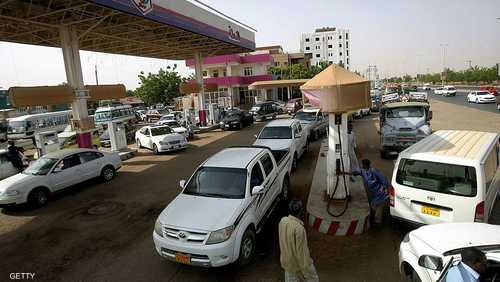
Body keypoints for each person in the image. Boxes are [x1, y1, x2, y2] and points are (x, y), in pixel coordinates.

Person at [279, 200, 319, 282]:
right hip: (297, 266)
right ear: (300, 212)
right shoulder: (299, 229)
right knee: (314, 279)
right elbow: (301, 254)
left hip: (286, 262)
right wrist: (307, 269)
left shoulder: (283, 221)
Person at [360, 159, 389, 224]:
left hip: (380, 195)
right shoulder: (364, 172)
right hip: (373, 195)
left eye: (363, 165)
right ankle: (375, 220)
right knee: (373, 207)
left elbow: (384, 180)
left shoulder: (374, 171)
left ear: (366, 165)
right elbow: (358, 173)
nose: (362, 166)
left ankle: (378, 225)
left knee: (378, 212)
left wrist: (383, 188)